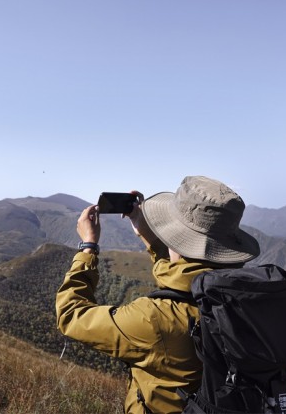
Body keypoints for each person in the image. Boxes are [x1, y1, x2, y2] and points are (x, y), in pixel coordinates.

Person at [55, 176, 261, 414]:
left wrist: (88, 248)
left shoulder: (153, 319)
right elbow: (188, 273)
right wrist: (148, 234)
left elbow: (71, 316)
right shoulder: (252, 298)